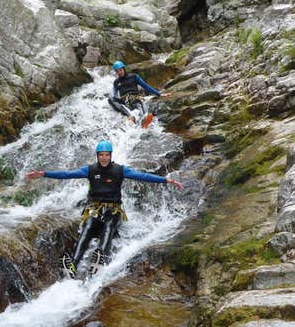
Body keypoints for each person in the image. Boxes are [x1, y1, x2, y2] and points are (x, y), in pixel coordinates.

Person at [25, 140, 183, 279]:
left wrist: (166, 180)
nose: (104, 158)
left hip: (114, 210)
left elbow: (143, 176)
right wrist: (43, 174)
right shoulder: (90, 170)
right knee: (87, 228)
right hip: (94, 209)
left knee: (108, 228)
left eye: (107, 155)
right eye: (101, 155)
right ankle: (73, 264)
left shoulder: (120, 170)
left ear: (111, 155)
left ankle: (101, 259)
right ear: (97, 155)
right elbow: (66, 174)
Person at [108, 60, 171, 128]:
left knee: (138, 102)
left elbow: (146, 86)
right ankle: (130, 116)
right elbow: (115, 95)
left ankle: (144, 118)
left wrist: (159, 94)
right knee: (110, 99)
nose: (119, 72)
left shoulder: (134, 76)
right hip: (125, 100)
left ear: (124, 69)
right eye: (117, 71)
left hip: (135, 97)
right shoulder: (116, 82)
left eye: (120, 70)